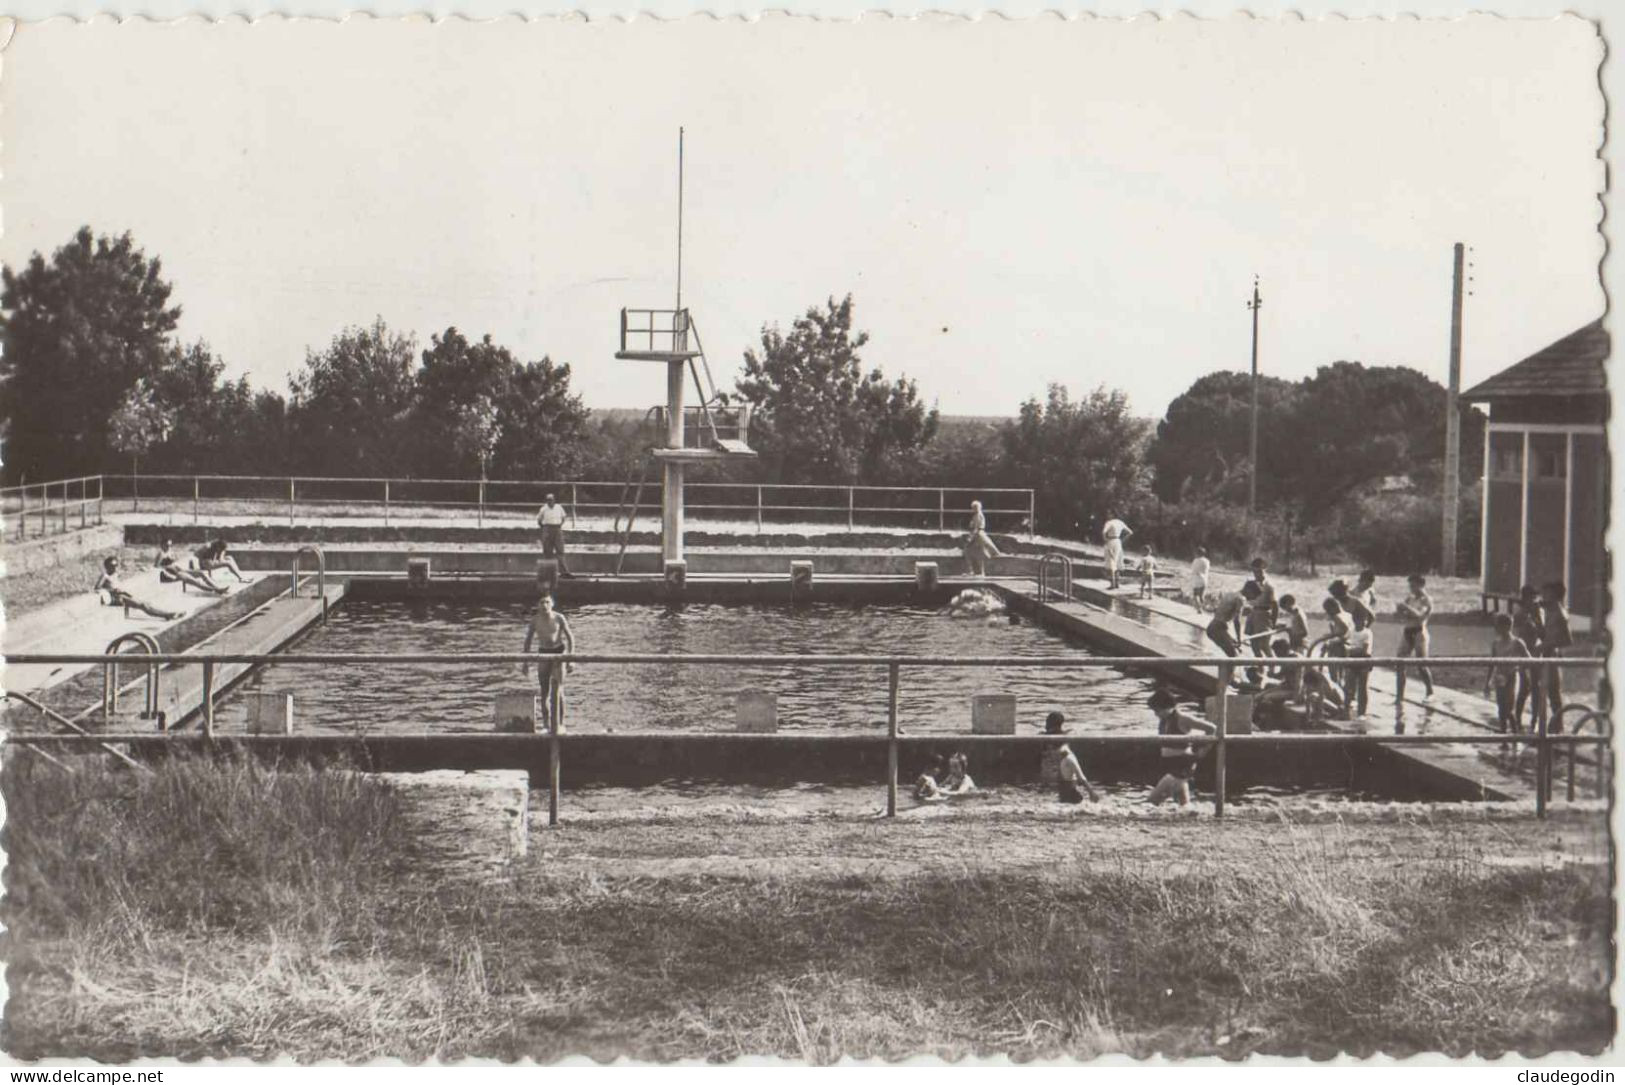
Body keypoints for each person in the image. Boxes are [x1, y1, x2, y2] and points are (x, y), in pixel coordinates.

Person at [1147, 689, 1215, 806]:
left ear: (1169, 706)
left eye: (1158, 710)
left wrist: (1204, 750)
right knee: (1184, 805)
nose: (1156, 714)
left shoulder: (1183, 719)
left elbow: (1212, 728)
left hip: (1182, 766)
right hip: (1171, 764)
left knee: (1153, 800)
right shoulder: (1164, 720)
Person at [521, 592, 575, 733]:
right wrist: (525, 663)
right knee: (544, 692)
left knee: (559, 691)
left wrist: (570, 659)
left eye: (547, 602)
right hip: (543, 653)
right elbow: (527, 642)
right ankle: (545, 725)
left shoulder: (559, 618)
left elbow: (570, 639)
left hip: (558, 653)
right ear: (537, 606)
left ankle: (561, 724)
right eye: (541, 603)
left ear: (552, 604)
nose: (544, 605)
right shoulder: (535, 620)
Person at [1483, 613, 1532, 742]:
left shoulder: (1517, 642)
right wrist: (1487, 682)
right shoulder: (1496, 643)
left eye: (1498, 626)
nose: (1496, 629)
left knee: (1509, 708)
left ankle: (1515, 734)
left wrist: (1519, 667)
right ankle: (1504, 735)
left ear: (1507, 626)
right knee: (1501, 708)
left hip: (1512, 676)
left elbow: (1529, 659)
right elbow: (1492, 663)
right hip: (1499, 677)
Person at [94, 556, 182, 620]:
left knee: (146, 603)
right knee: (143, 605)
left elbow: (127, 570)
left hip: (123, 595)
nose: (115, 567)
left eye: (116, 565)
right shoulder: (105, 576)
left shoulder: (115, 574)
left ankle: (167, 613)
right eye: (113, 566)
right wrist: (112, 590)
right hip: (118, 598)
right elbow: (97, 588)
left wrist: (141, 568)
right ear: (107, 567)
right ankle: (167, 615)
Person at [1394, 574, 1437, 701]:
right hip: (1408, 630)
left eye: (1413, 585)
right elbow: (1399, 617)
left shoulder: (1426, 599)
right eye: (1410, 586)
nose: (1411, 588)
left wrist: (1406, 609)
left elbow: (1420, 616)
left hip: (1419, 631)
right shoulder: (1410, 598)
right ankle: (1399, 696)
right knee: (1400, 663)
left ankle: (1430, 692)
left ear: (1421, 585)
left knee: (1421, 664)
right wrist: (1399, 611)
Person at [1540, 581, 1575, 733]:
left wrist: (1550, 644)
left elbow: (1568, 640)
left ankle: (1557, 724)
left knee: (1554, 691)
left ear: (1554, 595)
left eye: (1547, 593)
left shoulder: (1560, 614)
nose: (1543, 595)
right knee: (1547, 690)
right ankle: (1551, 722)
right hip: (1546, 653)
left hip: (1552, 653)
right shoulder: (1550, 610)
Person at [1511, 585, 1546, 732]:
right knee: (1525, 688)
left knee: (1537, 688)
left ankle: (1535, 719)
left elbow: (1543, 633)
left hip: (1536, 653)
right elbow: (1516, 636)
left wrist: (1538, 617)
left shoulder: (1538, 613)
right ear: (1525, 598)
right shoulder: (1520, 614)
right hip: (1524, 654)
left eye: (1535, 598)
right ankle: (1517, 717)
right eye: (1531, 598)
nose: (1534, 601)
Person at [157, 539, 227, 595]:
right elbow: (156, 567)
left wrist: (173, 559)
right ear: (162, 545)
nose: (169, 547)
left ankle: (216, 587)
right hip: (174, 574)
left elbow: (176, 560)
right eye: (167, 545)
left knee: (201, 574)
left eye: (170, 545)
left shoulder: (170, 552)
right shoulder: (161, 554)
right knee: (196, 582)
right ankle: (216, 590)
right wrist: (166, 566)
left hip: (179, 570)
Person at [536, 494, 574, 578]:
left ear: (554, 500)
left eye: (551, 500)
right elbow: (539, 520)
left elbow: (563, 517)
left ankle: (564, 572)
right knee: (547, 551)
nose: (550, 502)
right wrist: (545, 528)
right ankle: (549, 573)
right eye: (548, 500)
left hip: (557, 528)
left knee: (560, 551)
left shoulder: (559, 507)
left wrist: (559, 525)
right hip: (547, 529)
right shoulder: (543, 509)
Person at [963, 500, 1002, 578]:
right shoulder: (976, 515)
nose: (974, 509)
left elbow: (976, 528)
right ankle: (974, 571)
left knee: (977, 554)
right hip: (977, 535)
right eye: (973, 507)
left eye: (975, 507)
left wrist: (970, 538)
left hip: (978, 536)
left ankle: (979, 572)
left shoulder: (978, 515)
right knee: (970, 552)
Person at [1206, 589, 1247, 662]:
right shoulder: (1240, 599)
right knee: (1234, 655)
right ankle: (1228, 673)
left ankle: (1230, 672)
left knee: (1236, 650)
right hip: (1218, 628)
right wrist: (1239, 638)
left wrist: (1232, 640)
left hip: (1213, 626)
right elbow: (1236, 621)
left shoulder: (1230, 593)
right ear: (1250, 591)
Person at [1100, 512, 1133, 590]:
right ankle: (1117, 583)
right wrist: (1122, 540)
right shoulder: (1120, 522)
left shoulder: (1109, 523)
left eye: (1109, 514)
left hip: (1111, 541)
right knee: (1118, 562)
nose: (1108, 515)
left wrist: (1105, 540)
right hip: (1118, 541)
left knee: (1111, 562)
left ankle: (1113, 584)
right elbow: (1130, 532)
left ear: (1112, 515)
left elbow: (1103, 532)